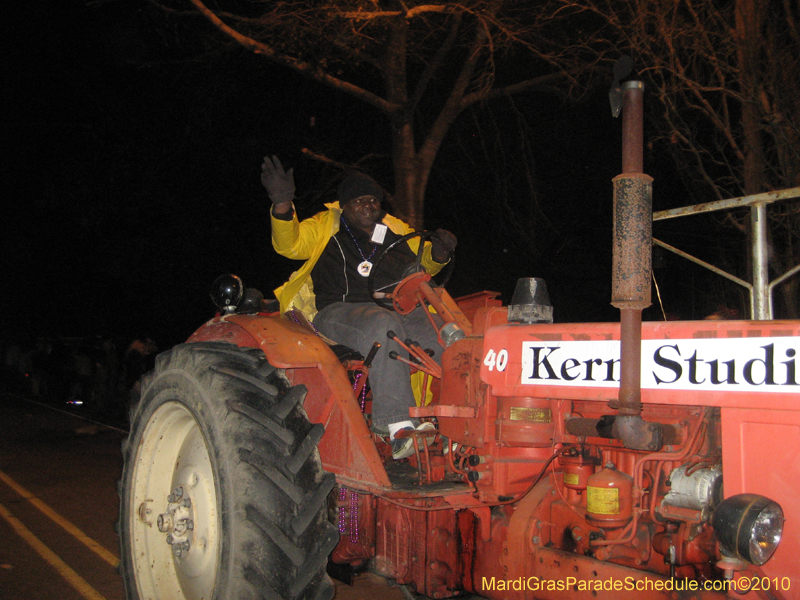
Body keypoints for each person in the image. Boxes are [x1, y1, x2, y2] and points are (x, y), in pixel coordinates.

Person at [262, 155, 457, 459]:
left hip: (390, 309)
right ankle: (396, 425)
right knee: (383, 326)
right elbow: (290, 245)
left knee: (447, 333)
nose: (368, 206)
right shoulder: (326, 228)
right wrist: (282, 204)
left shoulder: (392, 231)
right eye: (359, 201)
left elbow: (420, 265)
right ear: (344, 206)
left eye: (373, 200)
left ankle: (457, 426)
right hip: (338, 312)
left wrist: (440, 255)